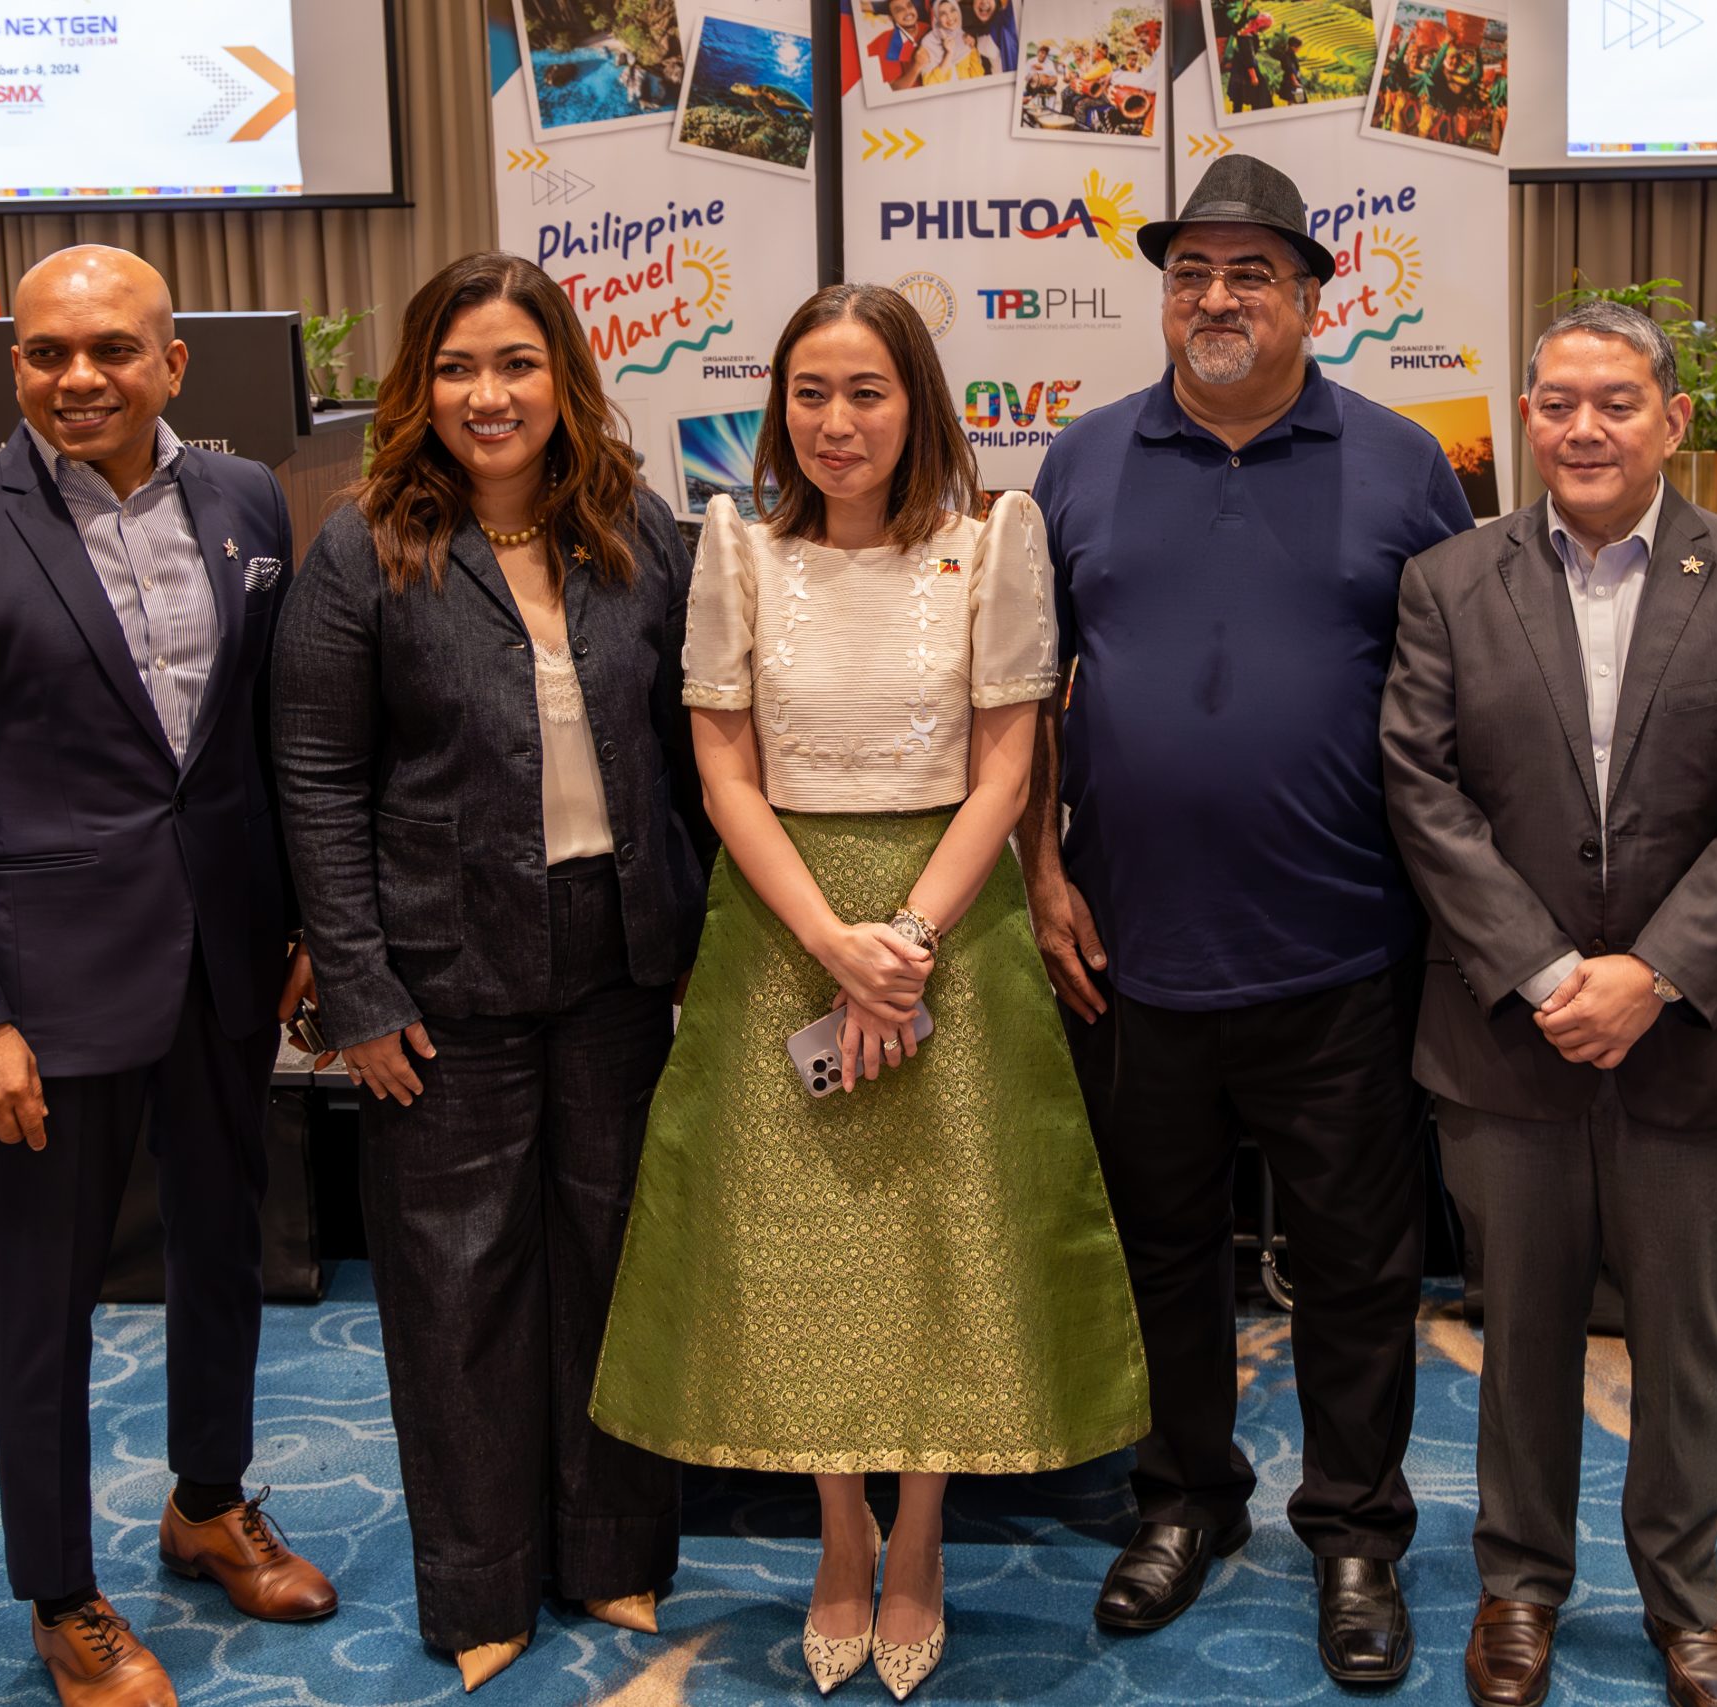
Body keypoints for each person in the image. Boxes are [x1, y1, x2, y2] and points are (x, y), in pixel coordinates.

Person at [589, 283, 1149, 1702]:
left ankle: (922, 1538)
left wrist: (901, 940)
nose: (835, 422)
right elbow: (723, 772)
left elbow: (1007, 768)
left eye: (867, 392)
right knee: (800, 1244)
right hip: (783, 922)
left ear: (918, 405)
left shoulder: (990, 542)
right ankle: (842, 1532)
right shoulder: (736, 548)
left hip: (946, 921)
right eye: (809, 393)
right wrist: (835, 946)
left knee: (943, 1239)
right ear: (778, 407)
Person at [0, 245, 337, 1707]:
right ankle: (62, 1593)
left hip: (228, 960)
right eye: (48, 351)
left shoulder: (247, 500)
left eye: (113, 349)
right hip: (48, 985)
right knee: (47, 1302)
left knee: (224, 1247)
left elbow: (263, 739)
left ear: (172, 363)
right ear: (15, 365)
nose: (80, 377)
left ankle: (209, 1501)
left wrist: (302, 924)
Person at [1019, 154, 1475, 1686]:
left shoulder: (1407, 466)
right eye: (1191, 272)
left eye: (1252, 273)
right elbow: (1024, 696)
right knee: (1162, 1253)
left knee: (1357, 1266)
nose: (1217, 298)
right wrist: (1040, 871)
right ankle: (1185, 1497)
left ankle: (1354, 1528)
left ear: (1312, 298)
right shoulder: (1080, 461)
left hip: (1345, 946)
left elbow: (1460, 703)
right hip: (1133, 953)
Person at [1380, 300, 1717, 1707]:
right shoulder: (1447, 581)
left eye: (1617, 402)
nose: (1585, 427)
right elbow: (1422, 789)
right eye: (1559, 402)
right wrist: (1548, 971)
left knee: (1685, 1346)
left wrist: (1653, 973)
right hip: (1507, 1033)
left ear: (1672, 420)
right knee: (1518, 1333)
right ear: (1526, 417)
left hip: (1698, 1033)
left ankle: (1685, 1598)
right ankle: (1519, 1582)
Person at [268, 252, 708, 1694]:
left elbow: (694, 754)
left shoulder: (635, 531)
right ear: (421, 386)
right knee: (457, 1290)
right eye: (457, 368)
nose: (489, 394)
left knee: (614, 1264)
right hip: (440, 975)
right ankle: (479, 1585)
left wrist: (705, 946)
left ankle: (615, 1551)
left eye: (517, 363)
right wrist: (358, 988)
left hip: (619, 961)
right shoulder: (364, 549)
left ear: (562, 377)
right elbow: (315, 777)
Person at [867, 0, 929, 91]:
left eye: (909, 6)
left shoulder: (929, 29)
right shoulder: (884, 41)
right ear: (891, 17)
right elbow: (895, 87)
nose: (907, 11)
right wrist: (917, 67)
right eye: (899, 10)